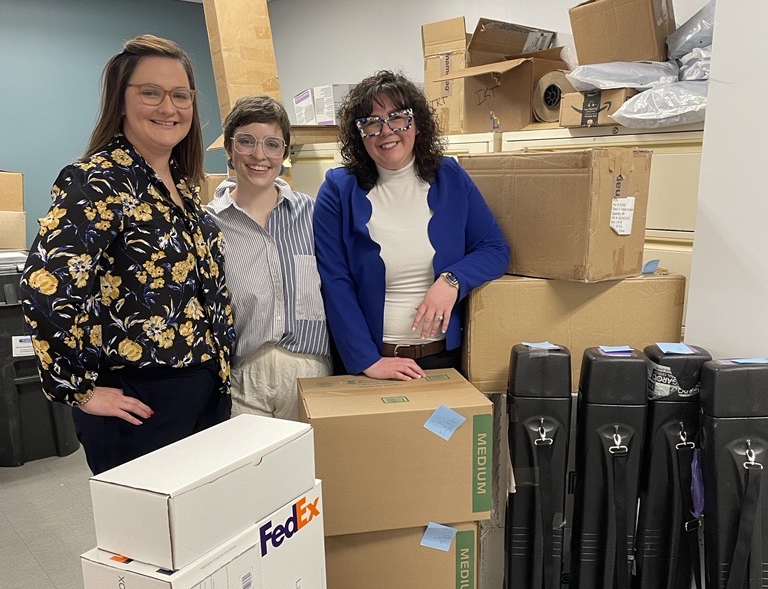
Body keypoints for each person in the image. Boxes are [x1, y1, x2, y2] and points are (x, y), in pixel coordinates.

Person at [20, 34, 235, 475]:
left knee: (198, 534)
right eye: (150, 93)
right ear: (120, 101)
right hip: (140, 400)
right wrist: (77, 389)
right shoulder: (96, 181)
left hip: (203, 389)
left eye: (181, 95)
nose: (169, 108)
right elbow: (45, 289)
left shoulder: (182, 187)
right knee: (150, 539)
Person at [313, 70, 509, 380]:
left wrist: (452, 280)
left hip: (444, 361)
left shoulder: (451, 177)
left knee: (446, 430)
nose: (386, 131)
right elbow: (335, 282)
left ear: (417, 124)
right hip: (370, 364)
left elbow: (495, 249)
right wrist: (367, 361)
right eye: (372, 122)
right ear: (359, 133)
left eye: (397, 117)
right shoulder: (338, 190)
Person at [206, 95, 331, 420]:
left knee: (313, 468)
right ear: (230, 150)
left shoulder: (311, 214)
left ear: (285, 153)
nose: (259, 155)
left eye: (272, 144)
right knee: (252, 469)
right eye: (246, 142)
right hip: (244, 376)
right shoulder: (209, 225)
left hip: (309, 371)